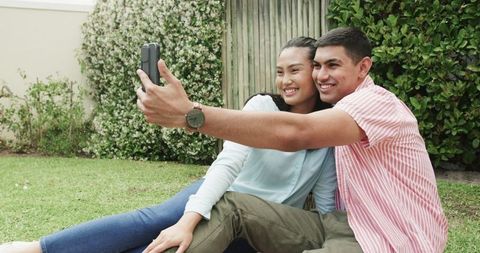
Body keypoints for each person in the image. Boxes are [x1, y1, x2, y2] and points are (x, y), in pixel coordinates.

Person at [0, 37, 337, 253]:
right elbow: (228, 164)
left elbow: (324, 193)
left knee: (170, 247)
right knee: (154, 221)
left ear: (316, 73)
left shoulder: (329, 129)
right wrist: (188, 218)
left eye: (295, 70)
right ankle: (38, 249)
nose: (285, 80)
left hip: (257, 222)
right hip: (218, 192)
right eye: (280, 72)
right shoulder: (262, 107)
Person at [135, 27, 448, 252]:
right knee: (228, 206)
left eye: (333, 65)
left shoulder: (376, 103)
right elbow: (325, 188)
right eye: (318, 66)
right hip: (338, 223)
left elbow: (296, 133)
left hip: (391, 238)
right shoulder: (335, 115)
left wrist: (192, 114)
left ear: (363, 67)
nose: (321, 75)